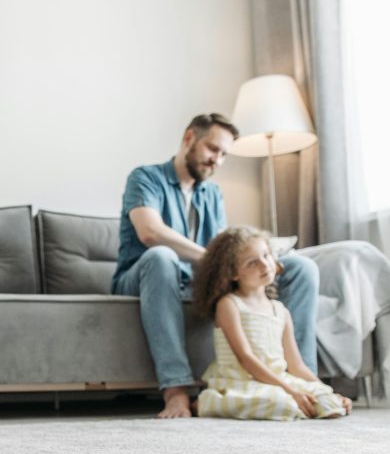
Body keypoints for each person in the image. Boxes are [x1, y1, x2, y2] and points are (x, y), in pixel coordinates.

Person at [111, 113, 319, 418]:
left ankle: (305, 385)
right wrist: (215, 259)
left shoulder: (212, 193)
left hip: (195, 278)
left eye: (223, 154)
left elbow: (226, 246)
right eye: (212, 149)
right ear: (189, 139)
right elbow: (150, 232)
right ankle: (176, 391)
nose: (217, 161)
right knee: (161, 257)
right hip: (144, 277)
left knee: (301, 268)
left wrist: (260, 257)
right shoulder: (145, 178)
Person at [192, 227, 351, 419]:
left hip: (277, 380)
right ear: (233, 273)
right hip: (242, 382)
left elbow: (296, 366)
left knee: (328, 403)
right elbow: (245, 358)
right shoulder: (229, 305)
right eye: (252, 262)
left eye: (266, 256)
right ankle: (210, 402)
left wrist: (327, 392)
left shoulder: (281, 311)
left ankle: (308, 398)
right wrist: (290, 391)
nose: (264, 264)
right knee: (284, 404)